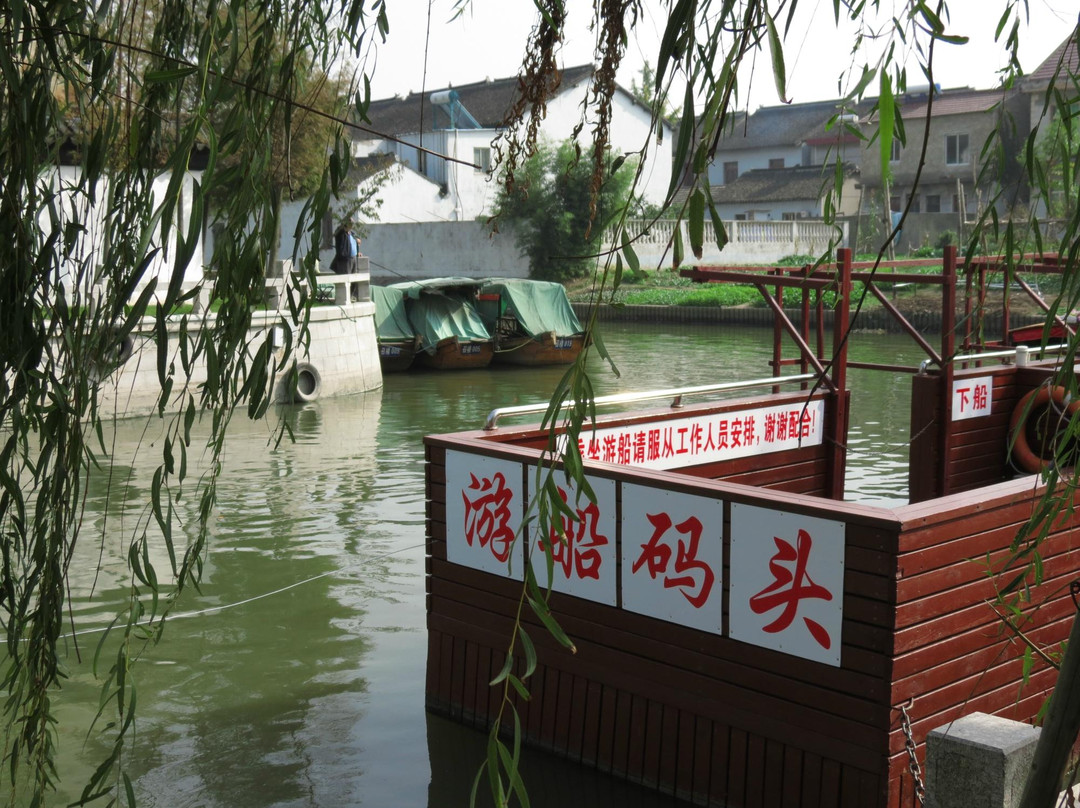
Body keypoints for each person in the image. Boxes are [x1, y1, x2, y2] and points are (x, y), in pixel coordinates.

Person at [332, 219, 363, 301]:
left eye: (352, 224)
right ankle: (344, 298)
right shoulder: (341, 233)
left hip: (353, 258)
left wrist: (358, 252)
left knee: (354, 279)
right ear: (346, 224)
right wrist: (343, 227)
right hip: (345, 259)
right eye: (350, 224)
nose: (352, 226)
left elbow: (354, 242)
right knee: (346, 278)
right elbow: (336, 233)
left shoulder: (352, 234)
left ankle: (350, 296)